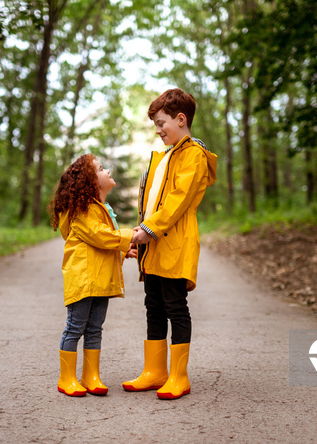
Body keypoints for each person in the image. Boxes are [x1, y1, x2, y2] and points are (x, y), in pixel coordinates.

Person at [123, 88, 217, 400]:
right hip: (155, 241)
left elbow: (178, 200)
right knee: (153, 305)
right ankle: (155, 371)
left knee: (175, 305)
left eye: (162, 123)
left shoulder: (192, 155)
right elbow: (154, 200)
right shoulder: (166, 157)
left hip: (174, 239)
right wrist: (142, 229)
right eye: (156, 125)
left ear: (181, 119)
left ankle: (179, 375)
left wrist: (149, 229)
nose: (159, 130)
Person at [49, 154, 136, 397]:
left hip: (100, 279)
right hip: (84, 279)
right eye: (100, 168)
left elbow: (102, 244)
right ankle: (66, 378)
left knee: (95, 328)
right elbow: (99, 236)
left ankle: (91, 375)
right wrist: (130, 236)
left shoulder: (100, 207)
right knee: (75, 327)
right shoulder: (82, 209)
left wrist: (123, 249)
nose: (107, 170)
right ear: (90, 180)